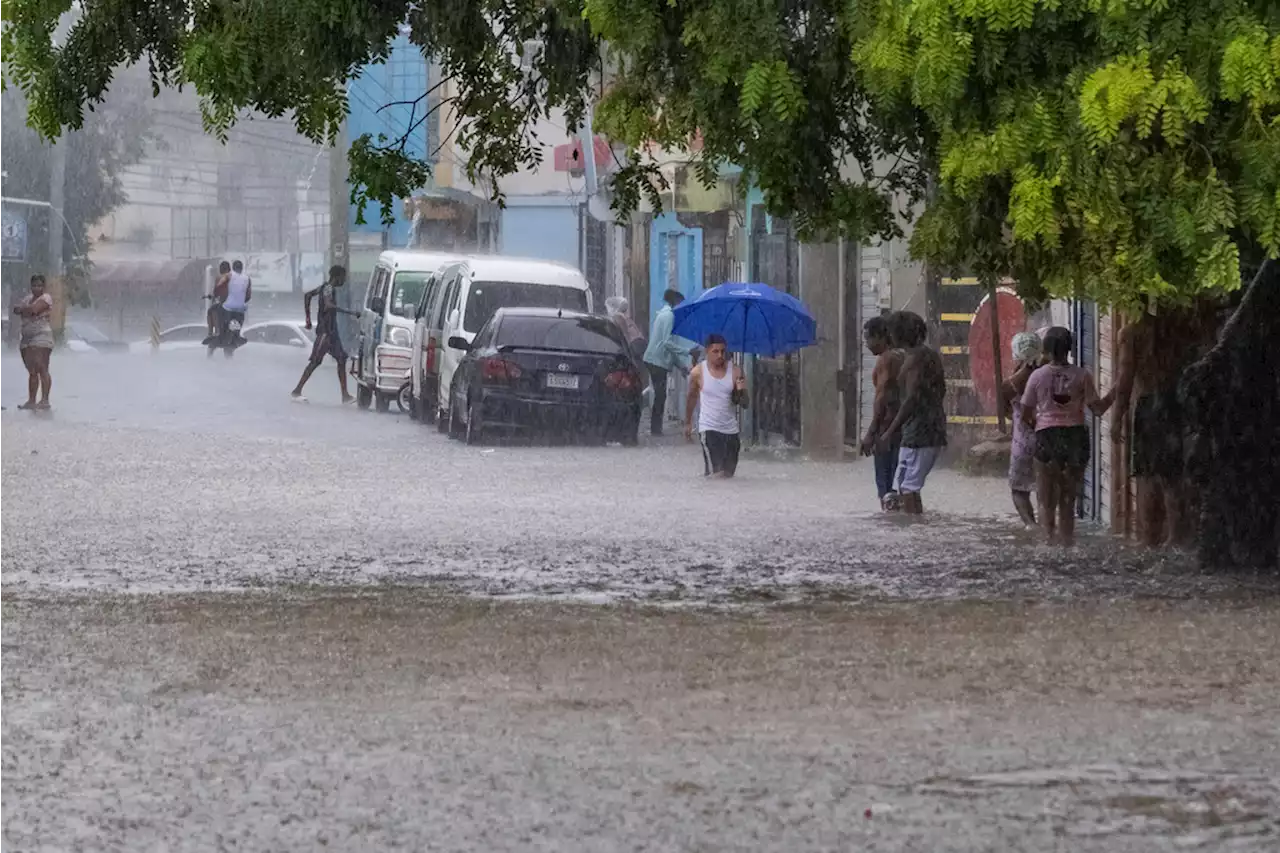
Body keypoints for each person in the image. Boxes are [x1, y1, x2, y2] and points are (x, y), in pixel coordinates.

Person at [1110, 306, 1216, 548]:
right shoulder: (1180, 330)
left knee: (1147, 474)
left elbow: (1125, 380)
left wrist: (1117, 418)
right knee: (1172, 474)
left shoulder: (1131, 332)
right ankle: (1177, 537)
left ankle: (1149, 539)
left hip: (1150, 405)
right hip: (1175, 404)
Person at [1021, 326, 1115, 545]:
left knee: (1046, 501)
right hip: (1075, 437)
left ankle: (1048, 545)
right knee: (1067, 498)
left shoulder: (1037, 376)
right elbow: (1098, 409)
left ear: (1046, 349)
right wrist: (1116, 391)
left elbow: (1025, 413)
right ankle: (1066, 546)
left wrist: (1041, 425)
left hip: (1047, 436)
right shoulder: (1082, 375)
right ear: (1069, 348)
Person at [875, 311, 947, 515]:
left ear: (900, 333)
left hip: (920, 432)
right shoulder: (925, 355)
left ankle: (914, 532)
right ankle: (916, 532)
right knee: (907, 485)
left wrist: (888, 432)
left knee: (908, 487)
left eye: (891, 331)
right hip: (924, 429)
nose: (888, 336)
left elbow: (911, 399)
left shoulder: (917, 359)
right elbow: (939, 391)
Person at [685, 334, 748, 477]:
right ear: (707, 351)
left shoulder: (736, 371)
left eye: (723, 351)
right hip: (709, 430)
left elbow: (744, 404)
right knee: (716, 476)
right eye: (715, 351)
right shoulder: (698, 372)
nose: (720, 355)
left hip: (731, 432)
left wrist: (741, 389)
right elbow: (691, 397)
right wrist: (687, 422)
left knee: (728, 477)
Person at [858, 315, 904, 510]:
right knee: (898, 487)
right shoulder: (902, 356)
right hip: (901, 428)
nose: (866, 344)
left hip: (887, 430)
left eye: (868, 338)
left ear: (881, 337)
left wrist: (871, 433)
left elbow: (882, 397)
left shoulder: (887, 359)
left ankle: (890, 526)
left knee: (886, 490)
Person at [292, 265, 356, 403]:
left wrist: (308, 318)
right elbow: (328, 305)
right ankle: (296, 391)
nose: (344, 281)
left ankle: (345, 395)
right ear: (337, 276)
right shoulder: (328, 289)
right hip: (325, 333)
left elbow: (308, 295)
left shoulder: (323, 287)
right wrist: (350, 312)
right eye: (343, 277)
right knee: (315, 362)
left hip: (332, 333)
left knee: (341, 359)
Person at [1003, 331, 1044, 526]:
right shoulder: (1047, 376)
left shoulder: (1009, 384)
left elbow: (1004, 411)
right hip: (1048, 437)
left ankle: (1030, 525)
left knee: (1019, 489)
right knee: (1046, 488)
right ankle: (1048, 528)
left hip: (1022, 441)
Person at [643, 289, 694, 436]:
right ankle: (655, 429)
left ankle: (655, 428)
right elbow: (666, 343)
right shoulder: (669, 316)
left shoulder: (664, 315)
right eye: (680, 302)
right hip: (656, 361)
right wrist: (687, 352)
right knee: (660, 395)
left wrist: (681, 367)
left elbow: (668, 347)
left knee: (660, 395)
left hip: (655, 359)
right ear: (674, 301)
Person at [13, 274, 54, 410]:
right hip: (27, 338)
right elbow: (16, 309)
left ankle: (44, 400)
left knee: (42, 367)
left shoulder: (46, 298)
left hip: (42, 336)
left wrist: (26, 310)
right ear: (30, 286)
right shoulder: (28, 299)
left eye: (39, 285)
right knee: (32, 370)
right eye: (34, 285)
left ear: (44, 286)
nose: (37, 288)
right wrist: (26, 310)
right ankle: (31, 400)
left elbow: (34, 310)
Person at [220, 259, 252, 349]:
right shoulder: (247, 278)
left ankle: (221, 335)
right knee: (237, 327)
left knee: (223, 322)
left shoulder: (228, 276)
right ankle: (236, 337)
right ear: (242, 268)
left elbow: (221, 290)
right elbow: (248, 295)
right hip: (240, 310)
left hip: (228, 309)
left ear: (233, 268)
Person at [204, 261, 232, 347]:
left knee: (211, 311)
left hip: (224, 302)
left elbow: (216, 293)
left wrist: (211, 297)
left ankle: (212, 331)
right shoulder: (234, 278)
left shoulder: (220, 278)